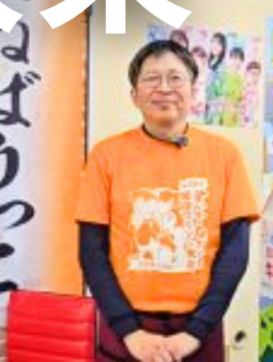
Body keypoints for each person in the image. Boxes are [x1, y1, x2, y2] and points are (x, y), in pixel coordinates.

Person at [77, 40, 259, 362]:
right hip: (126, 328)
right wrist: (129, 330)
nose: (164, 88)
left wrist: (196, 332)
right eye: (151, 79)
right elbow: (92, 252)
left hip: (199, 329)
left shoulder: (225, 155)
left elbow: (235, 253)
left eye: (175, 78)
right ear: (134, 95)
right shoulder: (105, 156)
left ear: (193, 90)